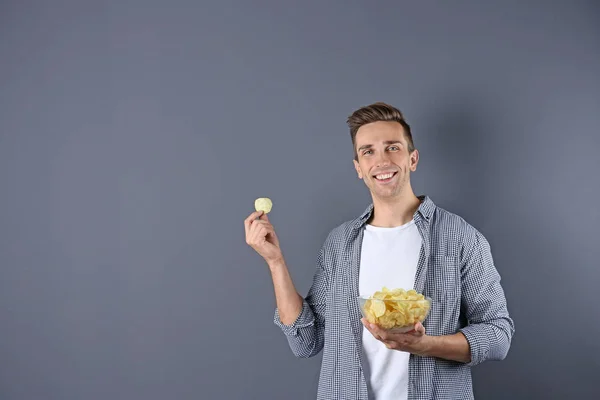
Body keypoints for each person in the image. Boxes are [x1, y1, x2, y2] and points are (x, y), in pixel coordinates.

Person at [244, 102, 515, 400]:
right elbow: (306, 341)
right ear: (358, 168)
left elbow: (498, 334)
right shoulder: (339, 244)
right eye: (368, 151)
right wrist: (275, 261)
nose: (381, 160)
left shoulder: (460, 237)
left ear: (413, 159)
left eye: (392, 148)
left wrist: (425, 345)